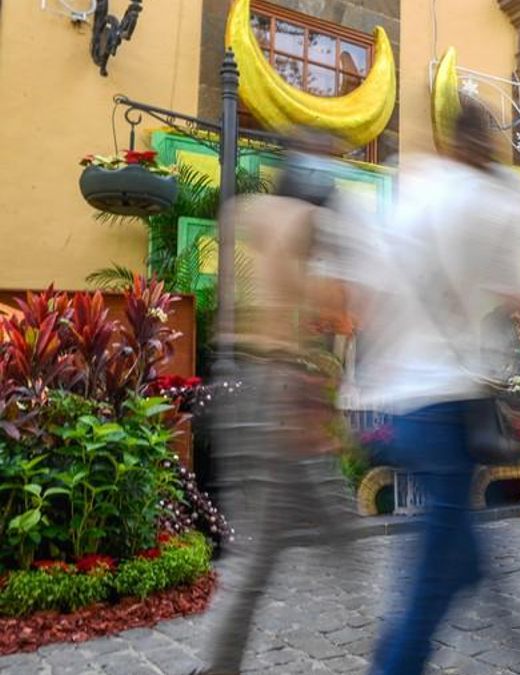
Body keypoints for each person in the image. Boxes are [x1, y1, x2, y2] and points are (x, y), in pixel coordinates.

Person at [357, 101, 520, 675]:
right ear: (487, 143)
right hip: (448, 406)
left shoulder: (411, 192)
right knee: (443, 567)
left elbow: (363, 301)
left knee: (462, 556)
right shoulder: (494, 202)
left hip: (403, 405)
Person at [198, 134, 361, 675]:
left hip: (235, 382)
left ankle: (377, 613)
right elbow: (331, 306)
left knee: (285, 532)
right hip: (280, 385)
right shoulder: (307, 221)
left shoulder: (246, 210)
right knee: (270, 549)